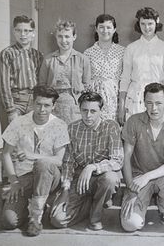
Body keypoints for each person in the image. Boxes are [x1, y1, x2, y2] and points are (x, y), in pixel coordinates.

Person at [0, 85, 69, 236]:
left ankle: (36, 217)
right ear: (32, 102)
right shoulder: (19, 122)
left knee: (43, 164)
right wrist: (14, 181)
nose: (42, 109)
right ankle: (33, 205)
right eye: (38, 104)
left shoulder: (59, 125)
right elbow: (6, 154)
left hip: (50, 178)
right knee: (8, 221)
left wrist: (33, 156)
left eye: (47, 105)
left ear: (54, 106)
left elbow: (58, 160)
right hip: (24, 177)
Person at [50, 91, 123, 231]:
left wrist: (92, 167)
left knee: (111, 179)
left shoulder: (110, 126)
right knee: (57, 220)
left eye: (93, 111)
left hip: (101, 176)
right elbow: (68, 162)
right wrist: (65, 189)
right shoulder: (72, 128)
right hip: (79, 179)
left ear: (101, 111)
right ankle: (89, 203)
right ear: (79, 110)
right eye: (84, 110)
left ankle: (95, 216)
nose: (88, 116)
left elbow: (117, 160)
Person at [120, 83, 164, 231]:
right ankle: (142, 201)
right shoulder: (134, 121)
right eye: (149, 103)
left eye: (158, 103)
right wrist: (131, 191)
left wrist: (148, 176)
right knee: (131, 225)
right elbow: (126, 157)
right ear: (144, 103)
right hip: (138, 178)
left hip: (162, 176)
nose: (153, 108)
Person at [119, 8, 164, 124]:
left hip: (158, 97)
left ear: (156, 22)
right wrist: (121, 106)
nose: (147, 28)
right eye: (143, 24)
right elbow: (125, 78)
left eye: (150, 24)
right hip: (136, 98)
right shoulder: (131, 48)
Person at [0, 15, 44, 133]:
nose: (23, 34)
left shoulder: (38, 55)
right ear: (14, 32)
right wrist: (10, 110)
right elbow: (3, 85)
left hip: (33, 101)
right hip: (14, 102)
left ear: (33, 33)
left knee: (32, 141)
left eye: (27, 31)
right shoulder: (7, 54)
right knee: (13, 143)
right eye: (19, 30)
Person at [39, 19, 91, 124]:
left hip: (75, 106)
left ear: (74, 37)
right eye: (60, 36)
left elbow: (86, 85)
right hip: (53, 106)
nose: (63, 40)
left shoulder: (82, 59)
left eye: (67, 36)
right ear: (56, 37)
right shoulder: (48, 59)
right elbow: (42, 85)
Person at [84, 14, 125, 123]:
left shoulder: (122, 52)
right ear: (96, 29)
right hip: (94, 96)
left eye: (108, 27)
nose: (105, 30)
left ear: (114, 29)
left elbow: (125, 79)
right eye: (101, 27)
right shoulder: (88, 53)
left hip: (114, 97)